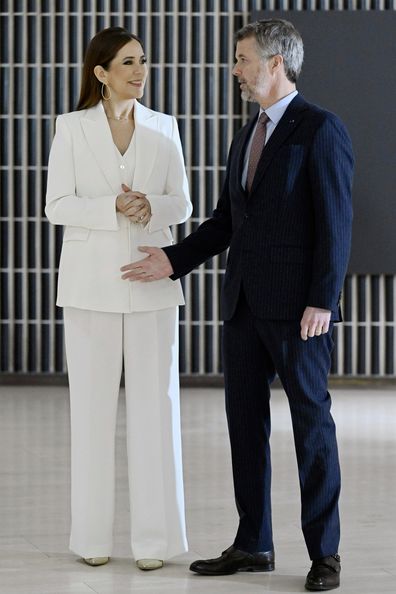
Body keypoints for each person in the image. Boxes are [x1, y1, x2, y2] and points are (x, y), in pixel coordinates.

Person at [120, 18, 353, 591]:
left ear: (276, 63)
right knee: (243, 427)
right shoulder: (245, 135)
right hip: (244, 306)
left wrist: (322, 299)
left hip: (300, 311)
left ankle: (325, 554)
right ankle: (254, 543)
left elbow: (336, 223)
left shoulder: (319, 129)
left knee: (311, 428)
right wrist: (173, 258)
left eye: (243, 60)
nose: (235, 72)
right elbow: (228, 221)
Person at [45, 27, 192, 570]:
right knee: (90, 415)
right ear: (100, 73)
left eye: (143, 60)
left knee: (159, 413)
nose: (139, 70)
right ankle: (91, 541)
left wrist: (149, 206)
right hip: (88, 289)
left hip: (152, 287)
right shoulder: (71, 129)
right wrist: (112, 206)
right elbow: (56, 205)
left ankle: (155, 543)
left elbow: (183, 203)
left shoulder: (164, 127)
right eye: (127, 62)